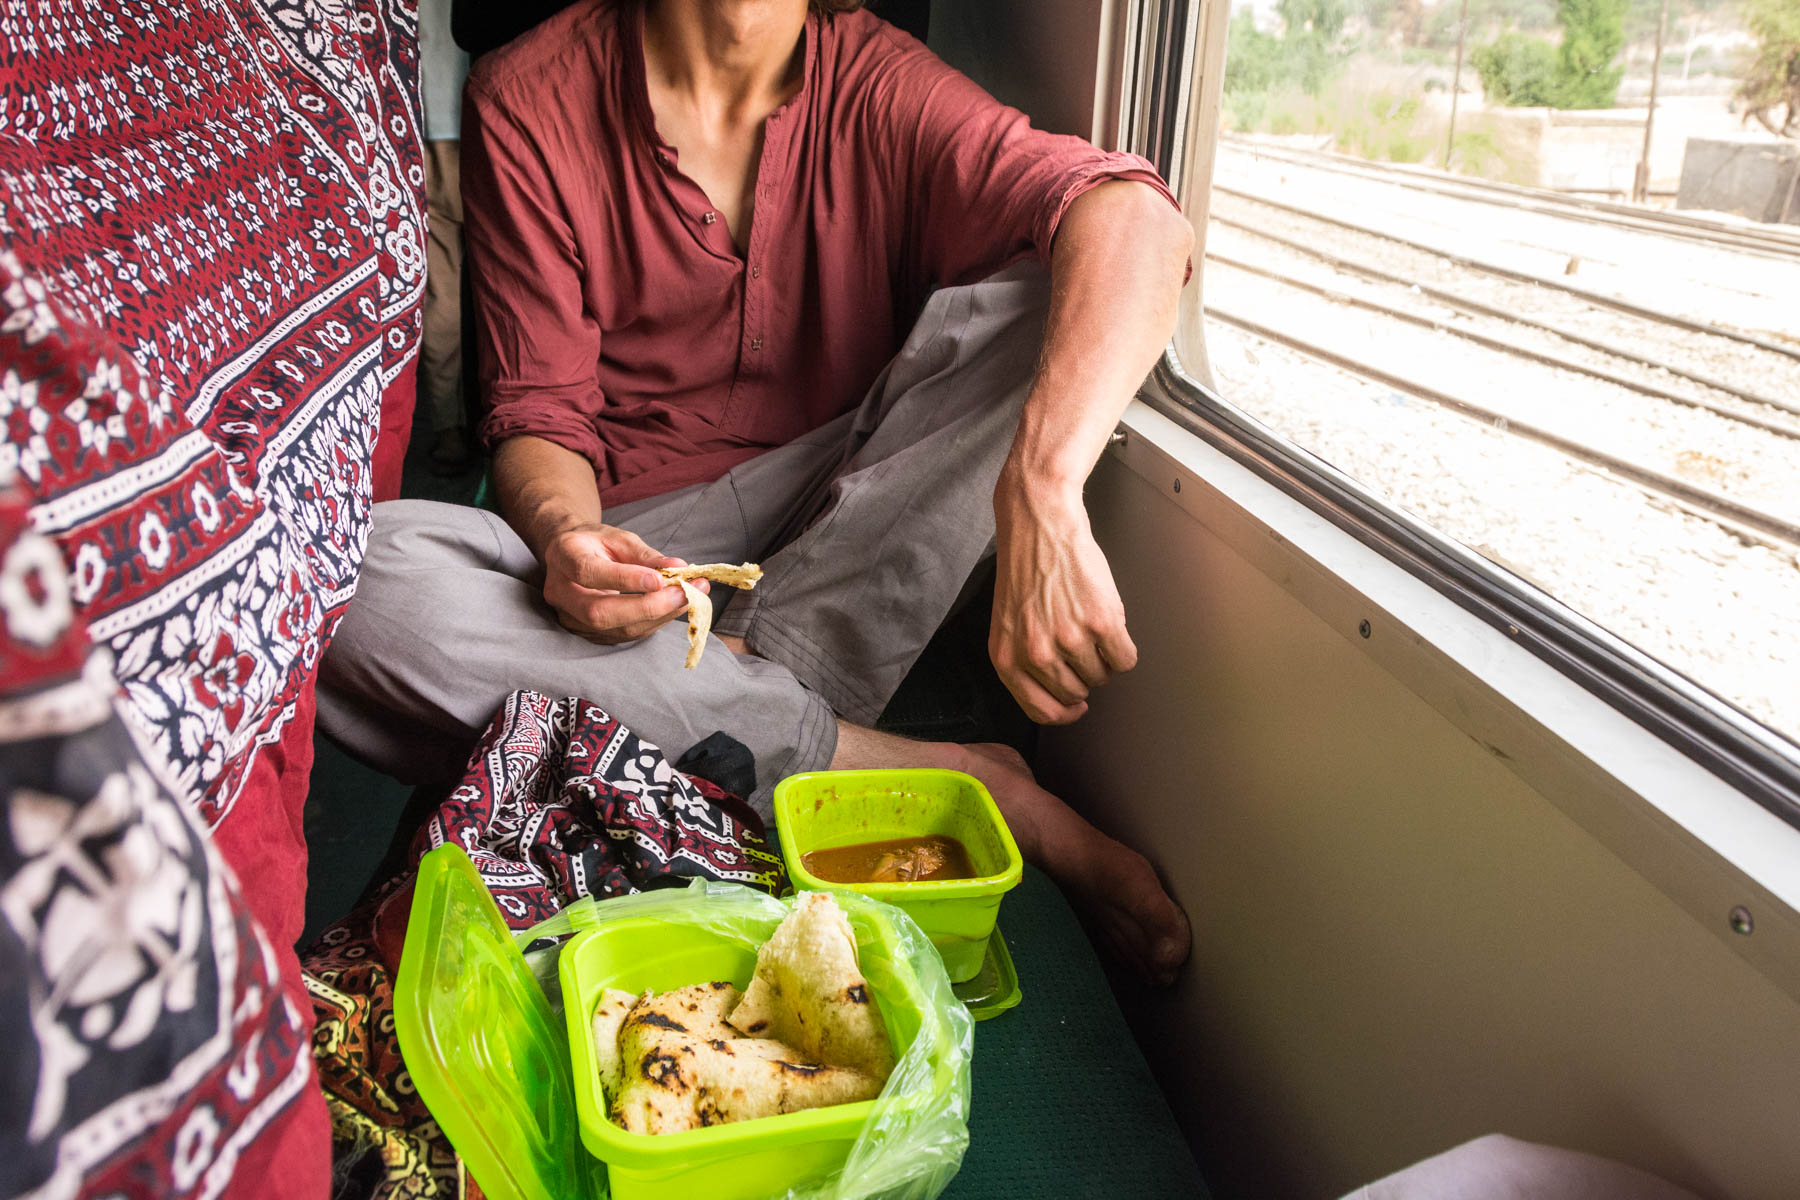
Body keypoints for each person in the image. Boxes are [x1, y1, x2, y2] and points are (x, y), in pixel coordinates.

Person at [319, 0, 1195, 982]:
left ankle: (708, 718)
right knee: (351, 578)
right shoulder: (522, 94)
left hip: (845, 515)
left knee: (1047, 289)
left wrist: (1045, 488)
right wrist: (569, 538)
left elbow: (1136, 218)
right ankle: (944, 773)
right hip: (643, 549)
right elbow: (539, 416)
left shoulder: (877, 77)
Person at [420, 0, 474, 471]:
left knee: (442, 293)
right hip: (494, 113)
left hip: (421, 128)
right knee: (525, 280)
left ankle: (448, 429)